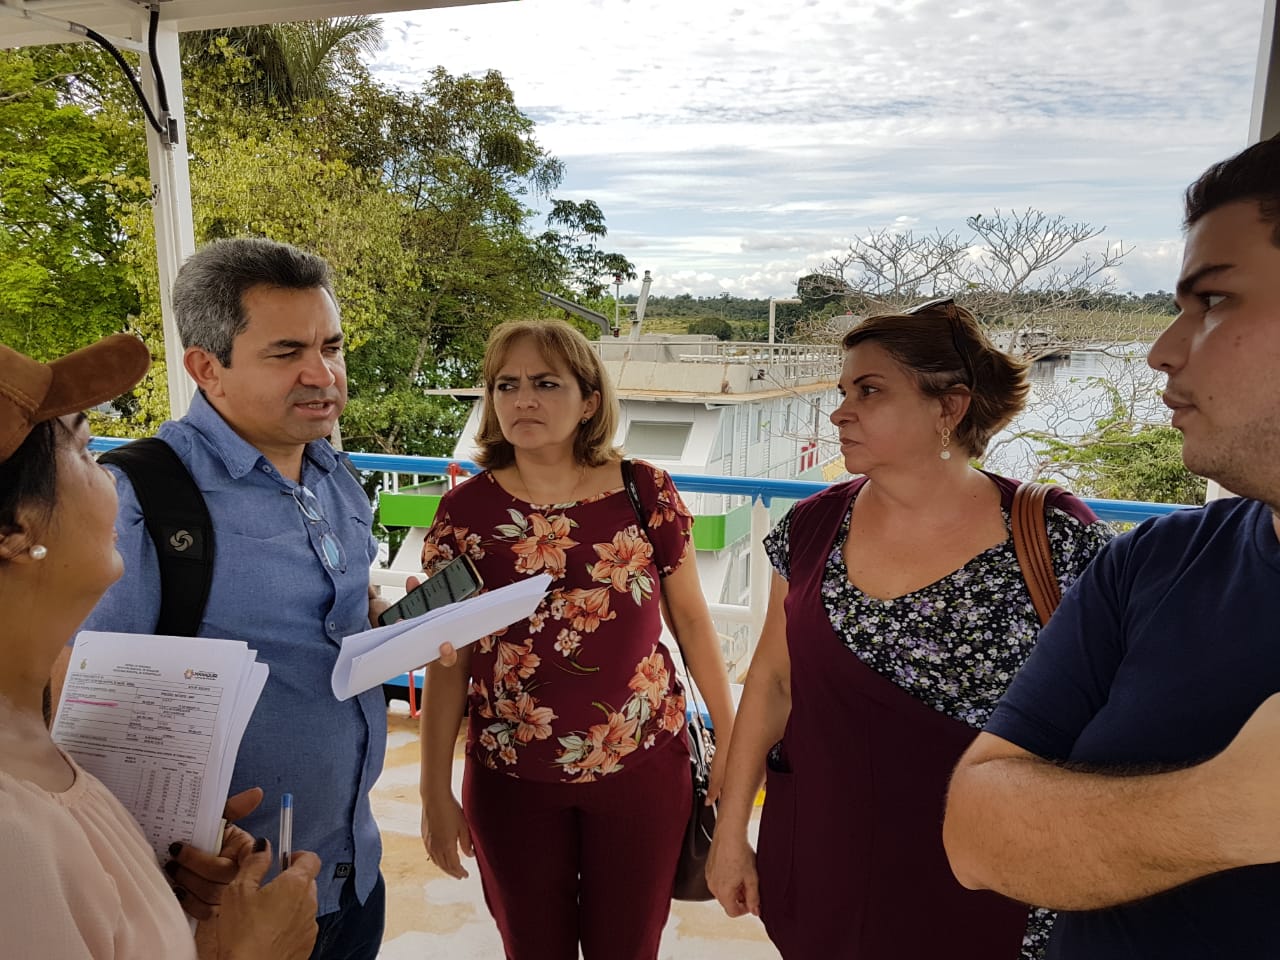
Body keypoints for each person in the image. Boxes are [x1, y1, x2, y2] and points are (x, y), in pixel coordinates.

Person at [943, 139, 1280, 956]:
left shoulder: (1057, 528)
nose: (1164, 350)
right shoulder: (1152, 562)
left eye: (1215, 301)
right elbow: (978, 834)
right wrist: (1225, 809)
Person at [705, 301, 1113, 959]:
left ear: (947, 408)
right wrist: (730, 837)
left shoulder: (1052, 534)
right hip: (826, 863)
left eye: (868, 391)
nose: (840, 411)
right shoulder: (810, 529)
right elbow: (774, 681)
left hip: (986, 879)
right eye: (843, 392)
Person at [80, 238, 393, 960]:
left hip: (352, 871)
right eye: (287, 353)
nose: (324, 374)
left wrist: (387, 626)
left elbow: (336, 616)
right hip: (224, 911)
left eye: (333, 345)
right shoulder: (139, 499)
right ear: (205, 367)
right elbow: (88, 722)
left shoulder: (334, 472)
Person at [417, 319, 736, 960]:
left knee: (629, 945)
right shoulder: (466, 513)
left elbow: (692, 622)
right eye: (506, 385)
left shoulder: (643, 491)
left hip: (641, 763)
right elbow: (448, 660)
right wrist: (432, 791)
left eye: (545, 383)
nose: (523, 400)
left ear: (589, 401)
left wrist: (728, 739)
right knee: (533, 946)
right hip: (510, 775)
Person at [0, 333, 322, 959]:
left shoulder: (31, 731)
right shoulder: (11, 836)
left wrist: (142, 861)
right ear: (14, 531)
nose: (115, 484)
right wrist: (247, 952)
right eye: (89, 451)